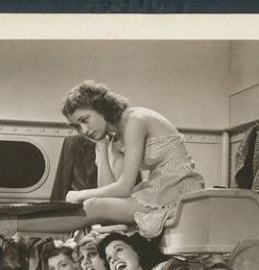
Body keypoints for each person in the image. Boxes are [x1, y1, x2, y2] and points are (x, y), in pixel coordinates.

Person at [61, 80, 204, 238]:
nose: (84, 130)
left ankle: (38, 228)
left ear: (100, 107)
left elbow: (124, 188)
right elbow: (110, 191)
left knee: (93, 205)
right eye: (77, 127)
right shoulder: (116, 137)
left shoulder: (134, 120)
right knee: (94, 205)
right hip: (158, 188)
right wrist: (101, 148)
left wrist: (80, 194)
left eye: (85, 120)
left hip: (179, 188)